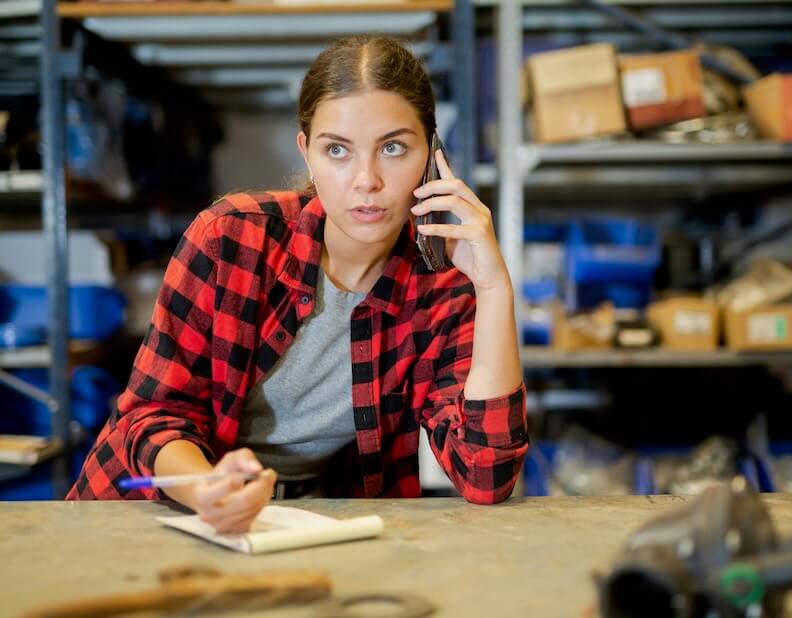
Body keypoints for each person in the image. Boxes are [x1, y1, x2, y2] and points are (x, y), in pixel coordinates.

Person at [67, 35, 528, 533]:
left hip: (300, 527)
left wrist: (493, 289)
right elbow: (154, 414)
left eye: (393, 147)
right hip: (149, 512)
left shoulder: (441, 287)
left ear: (433, 155)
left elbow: (486, 475)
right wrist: (206, 489)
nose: (366, 180)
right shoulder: (231, 238)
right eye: (338, 150)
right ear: (307, 154)